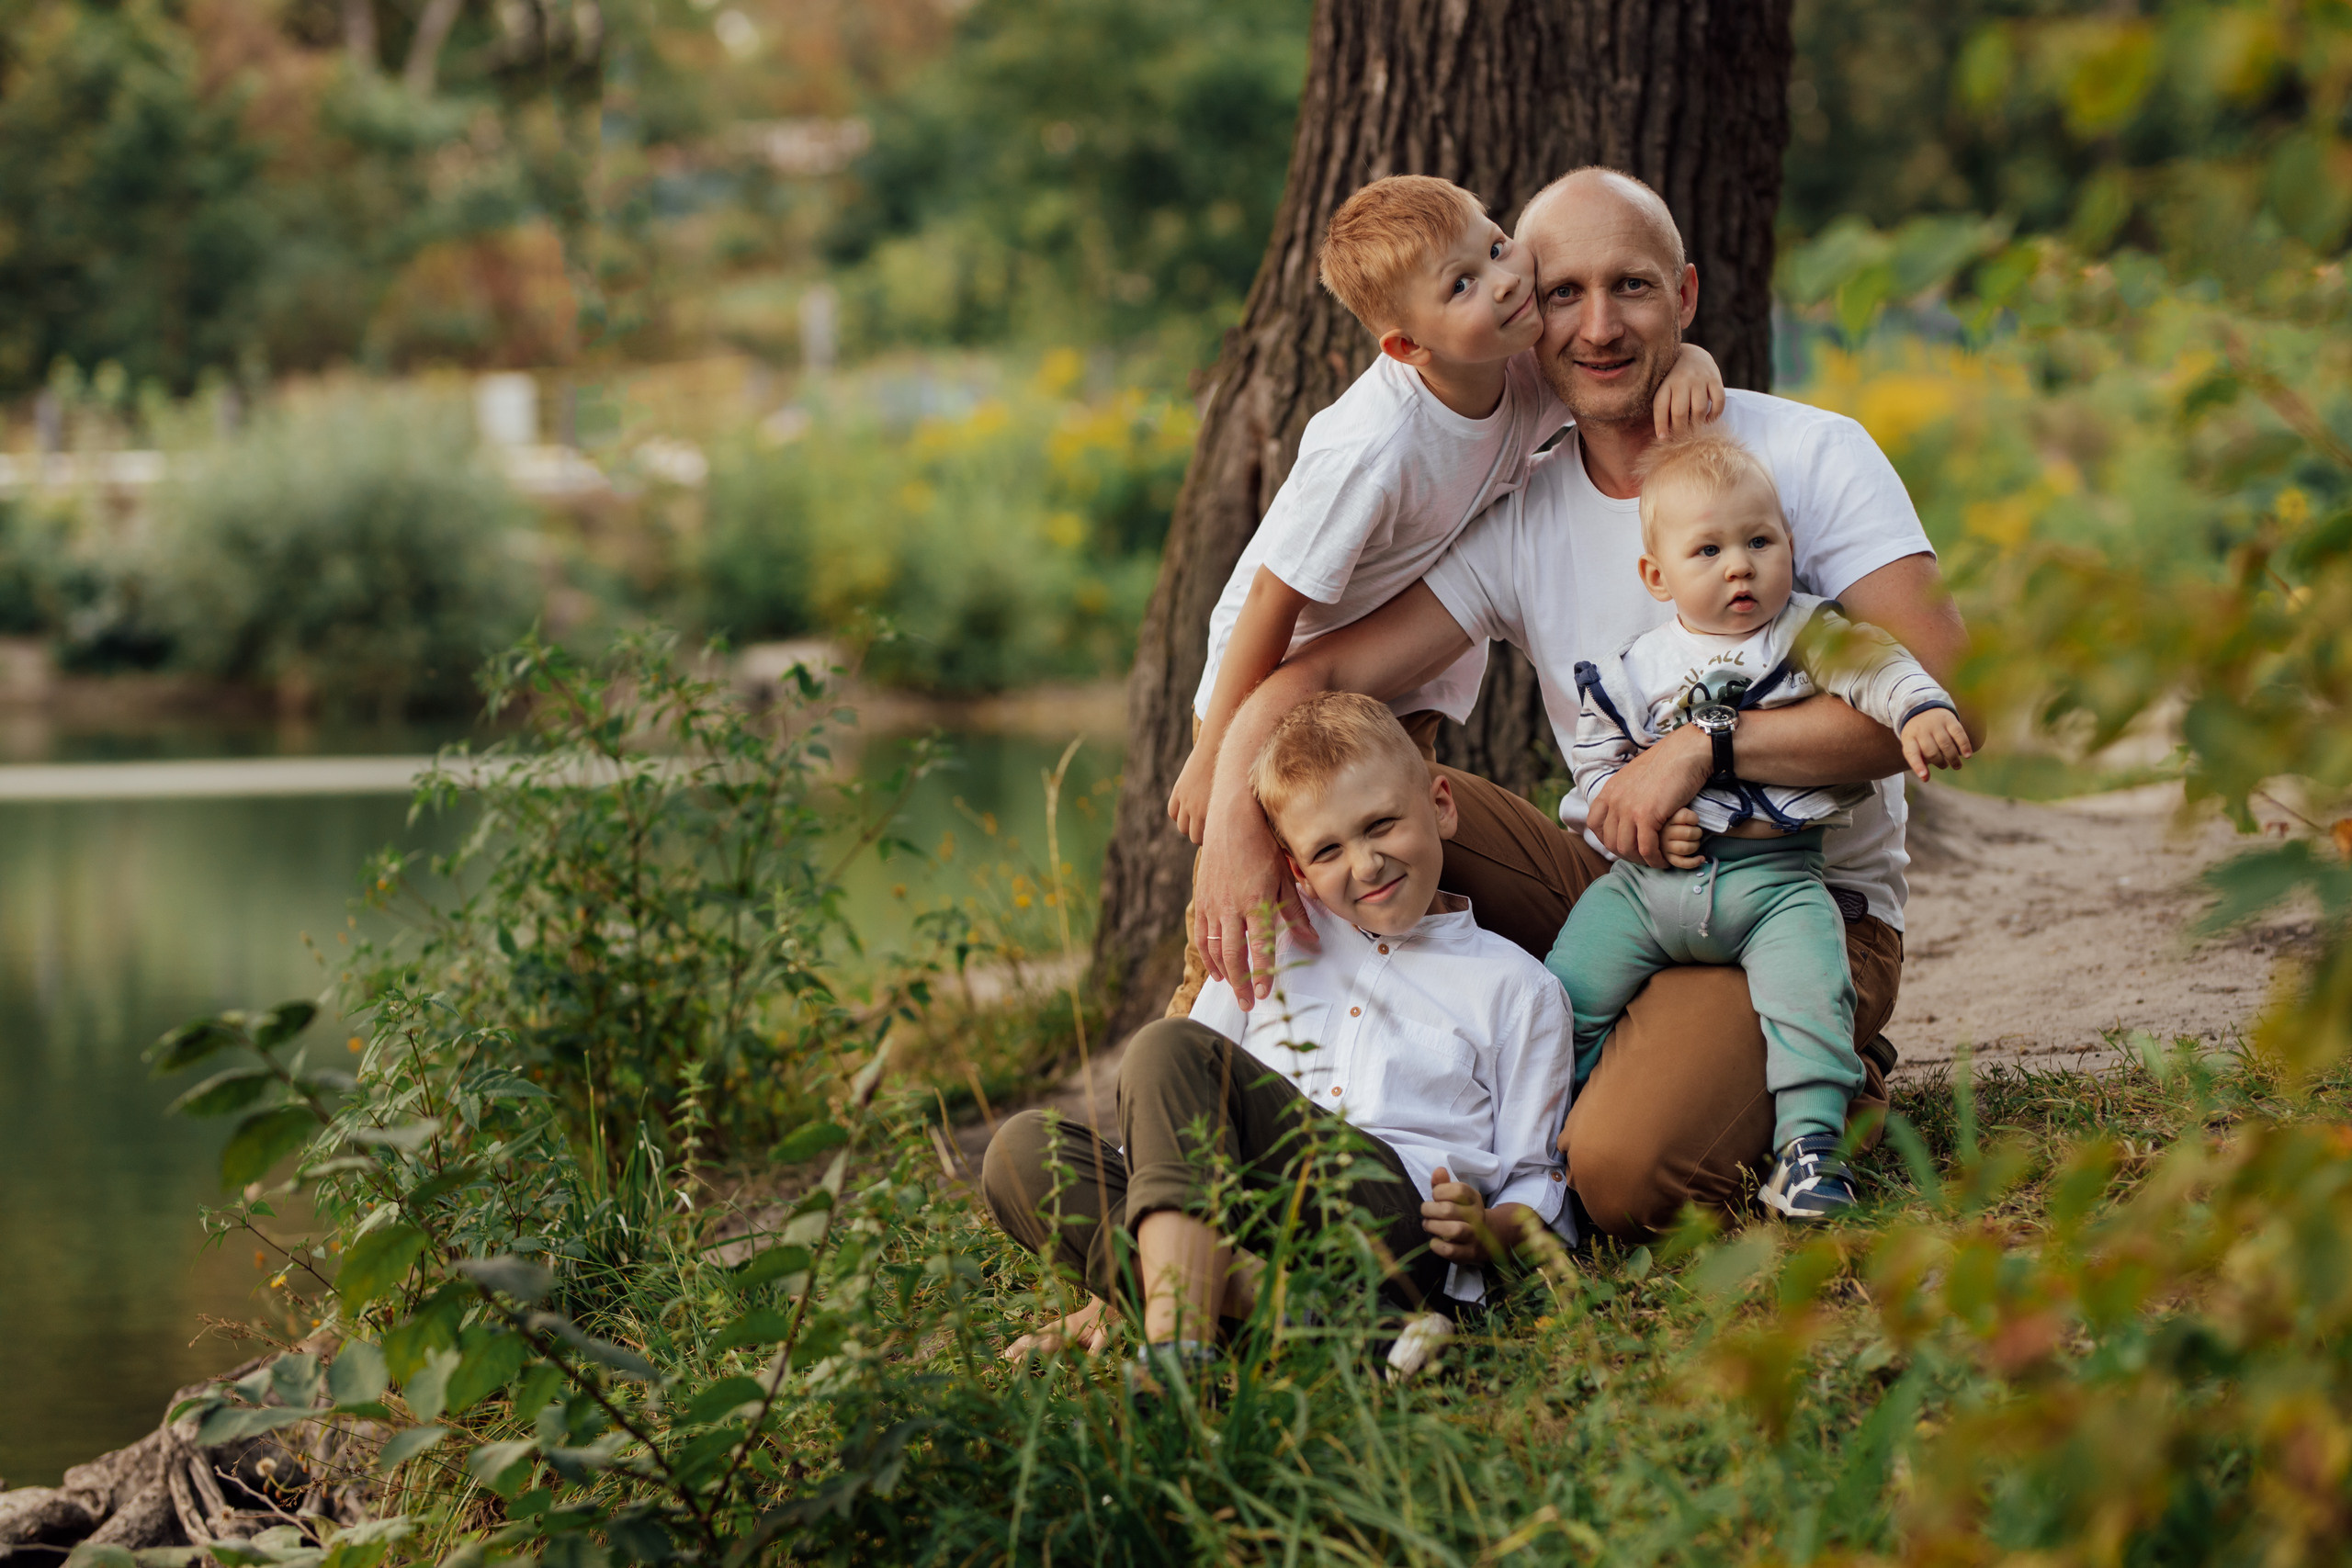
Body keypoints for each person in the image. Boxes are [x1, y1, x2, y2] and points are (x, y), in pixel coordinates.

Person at [1188, 166, 1984, 1240]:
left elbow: (1953, 687)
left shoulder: (1806, 452)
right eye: (1564, 292)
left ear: (1688, 297)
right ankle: (1210, 1176)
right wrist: (1236, 825)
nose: (1598, 327)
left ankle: (1835, 1077)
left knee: (1613, 1176)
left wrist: (1707, 746)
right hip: (1619, 888)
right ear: (1523, 307)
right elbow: (1316, 677)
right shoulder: (1524, 494)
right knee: (1353, 820)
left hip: (1799, 904)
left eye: (1634, 289)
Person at [1162, 173, 1725, 1016]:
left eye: (1496, 248)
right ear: (1407, 347)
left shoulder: (1517, 374)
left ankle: (1392, 1089)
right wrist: (1219, 758)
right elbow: (1269, 603)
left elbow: (1616, 364)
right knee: (1259, 911)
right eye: (1462, 284)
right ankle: (1199, 1064)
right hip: (1269, 689)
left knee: (1393, 894)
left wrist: (1691, 355)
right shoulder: (1373, 446)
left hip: (1394, 689)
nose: (1503, 279)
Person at [982, 693, 1577, 1364]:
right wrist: (1107, 1288)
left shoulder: (1518, 987)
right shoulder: (1271, 945)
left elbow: (1540, 1180)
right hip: (1238, 1213)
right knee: (1018, 1152)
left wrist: (1490, 1230)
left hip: (1386, 1222)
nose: (1366, 864)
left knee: (1165, 1049)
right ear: (1295, 868)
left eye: (1382, 824)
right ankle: (1337, 1326)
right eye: (1328, 849)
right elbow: (1171, 1133)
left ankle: (1176, 1352)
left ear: (1440, 804)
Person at [1547, 431, 1972, 1221]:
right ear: (1657, 574)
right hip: (1648, 890)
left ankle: (1811, 1148)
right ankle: (1536, 1140)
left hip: (1776, 883)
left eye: (1759, 541)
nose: (1739, 565)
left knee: (1807, 992)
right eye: (1707, 550)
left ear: (1789, 545)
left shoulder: (1812, 633)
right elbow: (1600, 773)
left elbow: (1883, 670)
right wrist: (1638, 824)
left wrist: (1916, 711)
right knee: (1565, 995)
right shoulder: (1635, 667)